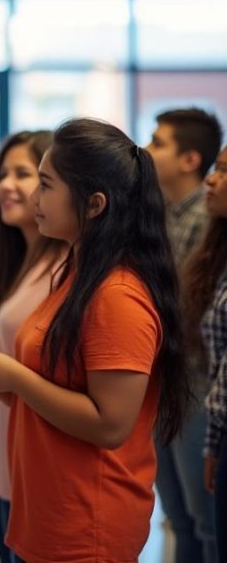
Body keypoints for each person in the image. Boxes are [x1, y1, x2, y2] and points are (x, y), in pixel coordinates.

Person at [0, 118, 191, 562]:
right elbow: (63, 393)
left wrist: (16, 378)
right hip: (48, 511)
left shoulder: (118, 295)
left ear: (94, 204)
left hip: (86, 522)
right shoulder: (78, 275)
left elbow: (110, 424)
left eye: (45, 185)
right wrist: (4, 386)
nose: (32, 197)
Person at [0, 131, 65, 563]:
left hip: (28, 440)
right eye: (3, 173)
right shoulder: (16, 260)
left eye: (24, 174)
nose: (6, 184)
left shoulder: (65, 266)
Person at [146, 107, 223, 563]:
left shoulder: (207, 220)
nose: (148, 150)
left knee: (203, 519)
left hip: (195, 384)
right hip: (170, 380)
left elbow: (185, 312)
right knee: (179, 516)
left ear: (189, 159)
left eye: (159, 143)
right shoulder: (170, 212)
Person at [192, 147, 227, 553]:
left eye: (224, 171)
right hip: (219, 426)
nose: (211, 179)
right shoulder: (219, 250)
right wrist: (214, 444)